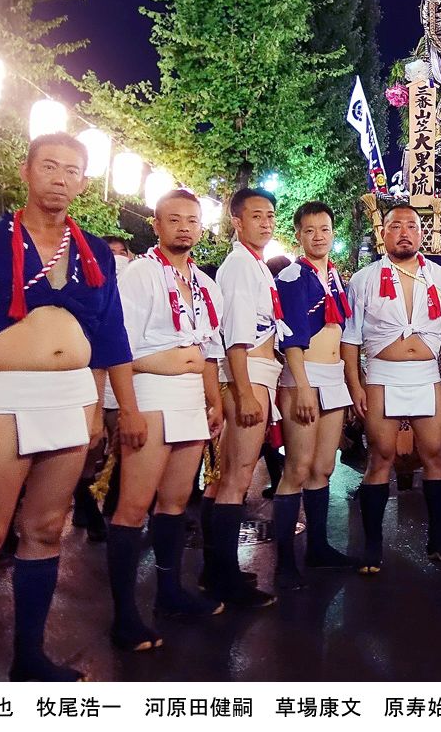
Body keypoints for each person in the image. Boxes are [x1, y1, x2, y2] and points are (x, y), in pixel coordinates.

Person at [0, 132, 137, 681]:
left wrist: (106, 407)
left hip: (72, 395)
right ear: (26, 171)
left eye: (72, 170)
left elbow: (109, 334)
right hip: (4, 394)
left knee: (45, 528)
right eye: (49, 166)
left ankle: (29, 658)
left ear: (83, 182)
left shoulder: (93, 250)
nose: (60, 178)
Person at [105, 190, 226, 651]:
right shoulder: (139, 274)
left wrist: (214, 401)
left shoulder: (205, 282)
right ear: (156, 224)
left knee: (175, 501)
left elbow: (209, 352)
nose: (184, 227)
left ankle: (170, 592)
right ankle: (124, 615)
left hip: (190, 396)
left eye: (192, 220)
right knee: (133, 506)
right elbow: (119, 345)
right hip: (151, 394)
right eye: (173, 219)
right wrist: (127, 409)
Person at [342, 204, 441, 573]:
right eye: (396, 226)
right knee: (380, 457)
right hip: (382, 374)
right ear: (383, 233)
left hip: (426, 373)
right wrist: (355, 383)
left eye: (412, 226)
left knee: (435, 455)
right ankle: (372, 546)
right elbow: (350, 338)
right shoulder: (363, 279)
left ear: (422, 233)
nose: (404, 232)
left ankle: (438, 540)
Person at [202, 187, 288, 609]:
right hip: (248, 374)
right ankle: (225, 579)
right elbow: (236, 336)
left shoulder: (254, 265)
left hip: (256, 374)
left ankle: (215, 571)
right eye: (256, 215)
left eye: (270, 215)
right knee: (235, 479)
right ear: (236, 221)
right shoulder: (239, 266)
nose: (266, 222)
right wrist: (244, 392)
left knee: (227, 478)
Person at [273, 202, 356, 588]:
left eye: (324, 229)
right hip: (303, 378)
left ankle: (319, 549)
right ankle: (284, 562)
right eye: (309, 230)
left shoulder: (334, 276)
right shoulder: (292, 275)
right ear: (299, 235)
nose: (318, 236)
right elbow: (290, 336)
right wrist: (303, 386)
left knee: (323, 467)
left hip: (334, 376)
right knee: (297, 468)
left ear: (333, 232)